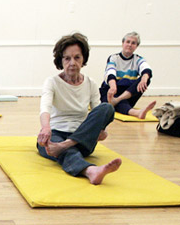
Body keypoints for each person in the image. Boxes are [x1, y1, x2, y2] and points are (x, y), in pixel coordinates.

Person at [37, 32, 122, 185]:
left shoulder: (91, 84)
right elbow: (45, 107)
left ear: (83, 59)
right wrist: (45, 127)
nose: (72, 63)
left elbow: (99, 112)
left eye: (77, 57)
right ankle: (91, 171)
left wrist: (99, 130)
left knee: (107, 107)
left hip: (82, 138)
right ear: (60, 60)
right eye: (67, 58)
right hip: (56, 135)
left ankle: (66, 145)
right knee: (62, 150)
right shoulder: (52, 82)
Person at [99, 32, 156, 119]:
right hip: (112, 90)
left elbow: (146, 68)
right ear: (123, 43)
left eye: (133, 43)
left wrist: (144, 78)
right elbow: (110, 72)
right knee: (113, 105)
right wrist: (113, 86)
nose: (130, 45)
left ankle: (117, 100)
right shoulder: (114, 57)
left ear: (136, 46)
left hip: (128, 93)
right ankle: (137, 113)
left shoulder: (138, 59)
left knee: (146, 78)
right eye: (128, 42)